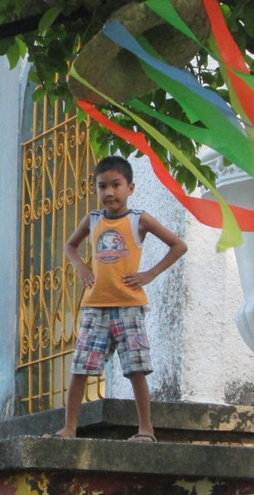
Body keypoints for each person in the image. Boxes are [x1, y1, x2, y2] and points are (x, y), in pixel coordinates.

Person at [51, 155, 187, 440]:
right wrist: (82, 266)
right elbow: (70, 246)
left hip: (129, 306)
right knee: (80, 367)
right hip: (95, 306)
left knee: (136, 368)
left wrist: (149, 274)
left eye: (116, 185)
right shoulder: (93, 219)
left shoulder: (140, 220)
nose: (109, 192)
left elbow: (178, 245)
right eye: (102, 186)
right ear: (96, 189)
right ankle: (69, 428)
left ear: (130, 187)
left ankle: (146, 429)